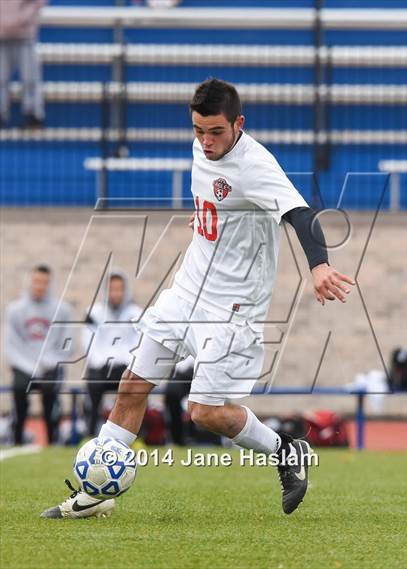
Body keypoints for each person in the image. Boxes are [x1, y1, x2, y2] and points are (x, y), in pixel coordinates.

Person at [41, 78, 355, 519]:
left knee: (204, 413)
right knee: (132, 386)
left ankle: (285, 449)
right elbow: (213, 195)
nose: (206, 142)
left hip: (231, 308)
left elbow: (301, 215)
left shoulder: (256, 166)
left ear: (238, 124)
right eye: (198, 131)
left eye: (216, 133)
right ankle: (94, 493)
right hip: (186, 290)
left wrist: (318, 265)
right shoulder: (202, 148)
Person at [5, 264, 72, 445]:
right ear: (30, 282)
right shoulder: (15, 309)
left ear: (50, 284)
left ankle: (52, 438)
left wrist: (49, 362)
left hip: (50, 365)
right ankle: (17, 437)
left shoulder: (63, 310)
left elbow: (67, 344)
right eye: (36, 282)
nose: (40, 286)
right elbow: (11, 345)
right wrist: (31, 367)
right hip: (24, 365)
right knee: (19, 388)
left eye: (44, 282)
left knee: (50, 391)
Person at [82, 270, 142, 437]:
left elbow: (139, 343)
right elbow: (89, 342)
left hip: (125, 367)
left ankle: (136, 436)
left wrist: (127, 363)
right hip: (101, 367)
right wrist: (101, 362)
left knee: (137, 389)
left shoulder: (136, 313)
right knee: (92, 385)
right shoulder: (93, 312)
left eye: (119, 289)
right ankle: (90, 435)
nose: (116, 293)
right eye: (112, 289)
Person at [0, 0, 46, 128]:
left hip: (25, 35)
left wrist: (22, 18)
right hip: (1, 37)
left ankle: (33, 115)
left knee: (30, 79)